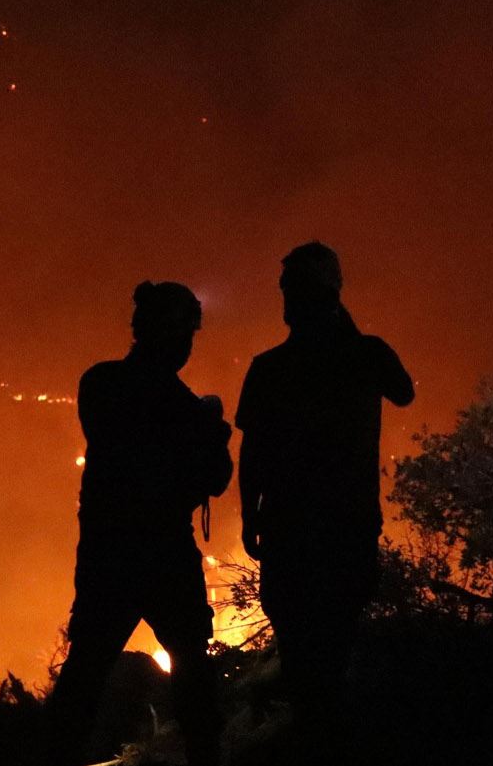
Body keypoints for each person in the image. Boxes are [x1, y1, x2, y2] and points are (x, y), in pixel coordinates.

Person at [236, 242, 414, 754]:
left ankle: (315, 741)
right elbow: (402, 391)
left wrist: (252, 515)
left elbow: (253, 452)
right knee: (332, 650)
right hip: (344, 526)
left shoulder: (271, 367)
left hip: (295, 530)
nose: (289, 301)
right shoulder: (365, 353)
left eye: (293, 290)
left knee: (305, 656)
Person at [49, 281, 233, 766]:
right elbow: (215, 479)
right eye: (184, 335)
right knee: (192, 669)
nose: (188, 346)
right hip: (165, 553)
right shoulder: (181, 405)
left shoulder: (100, 383)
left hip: (109, 553)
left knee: (85, 672)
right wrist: (212, 430)